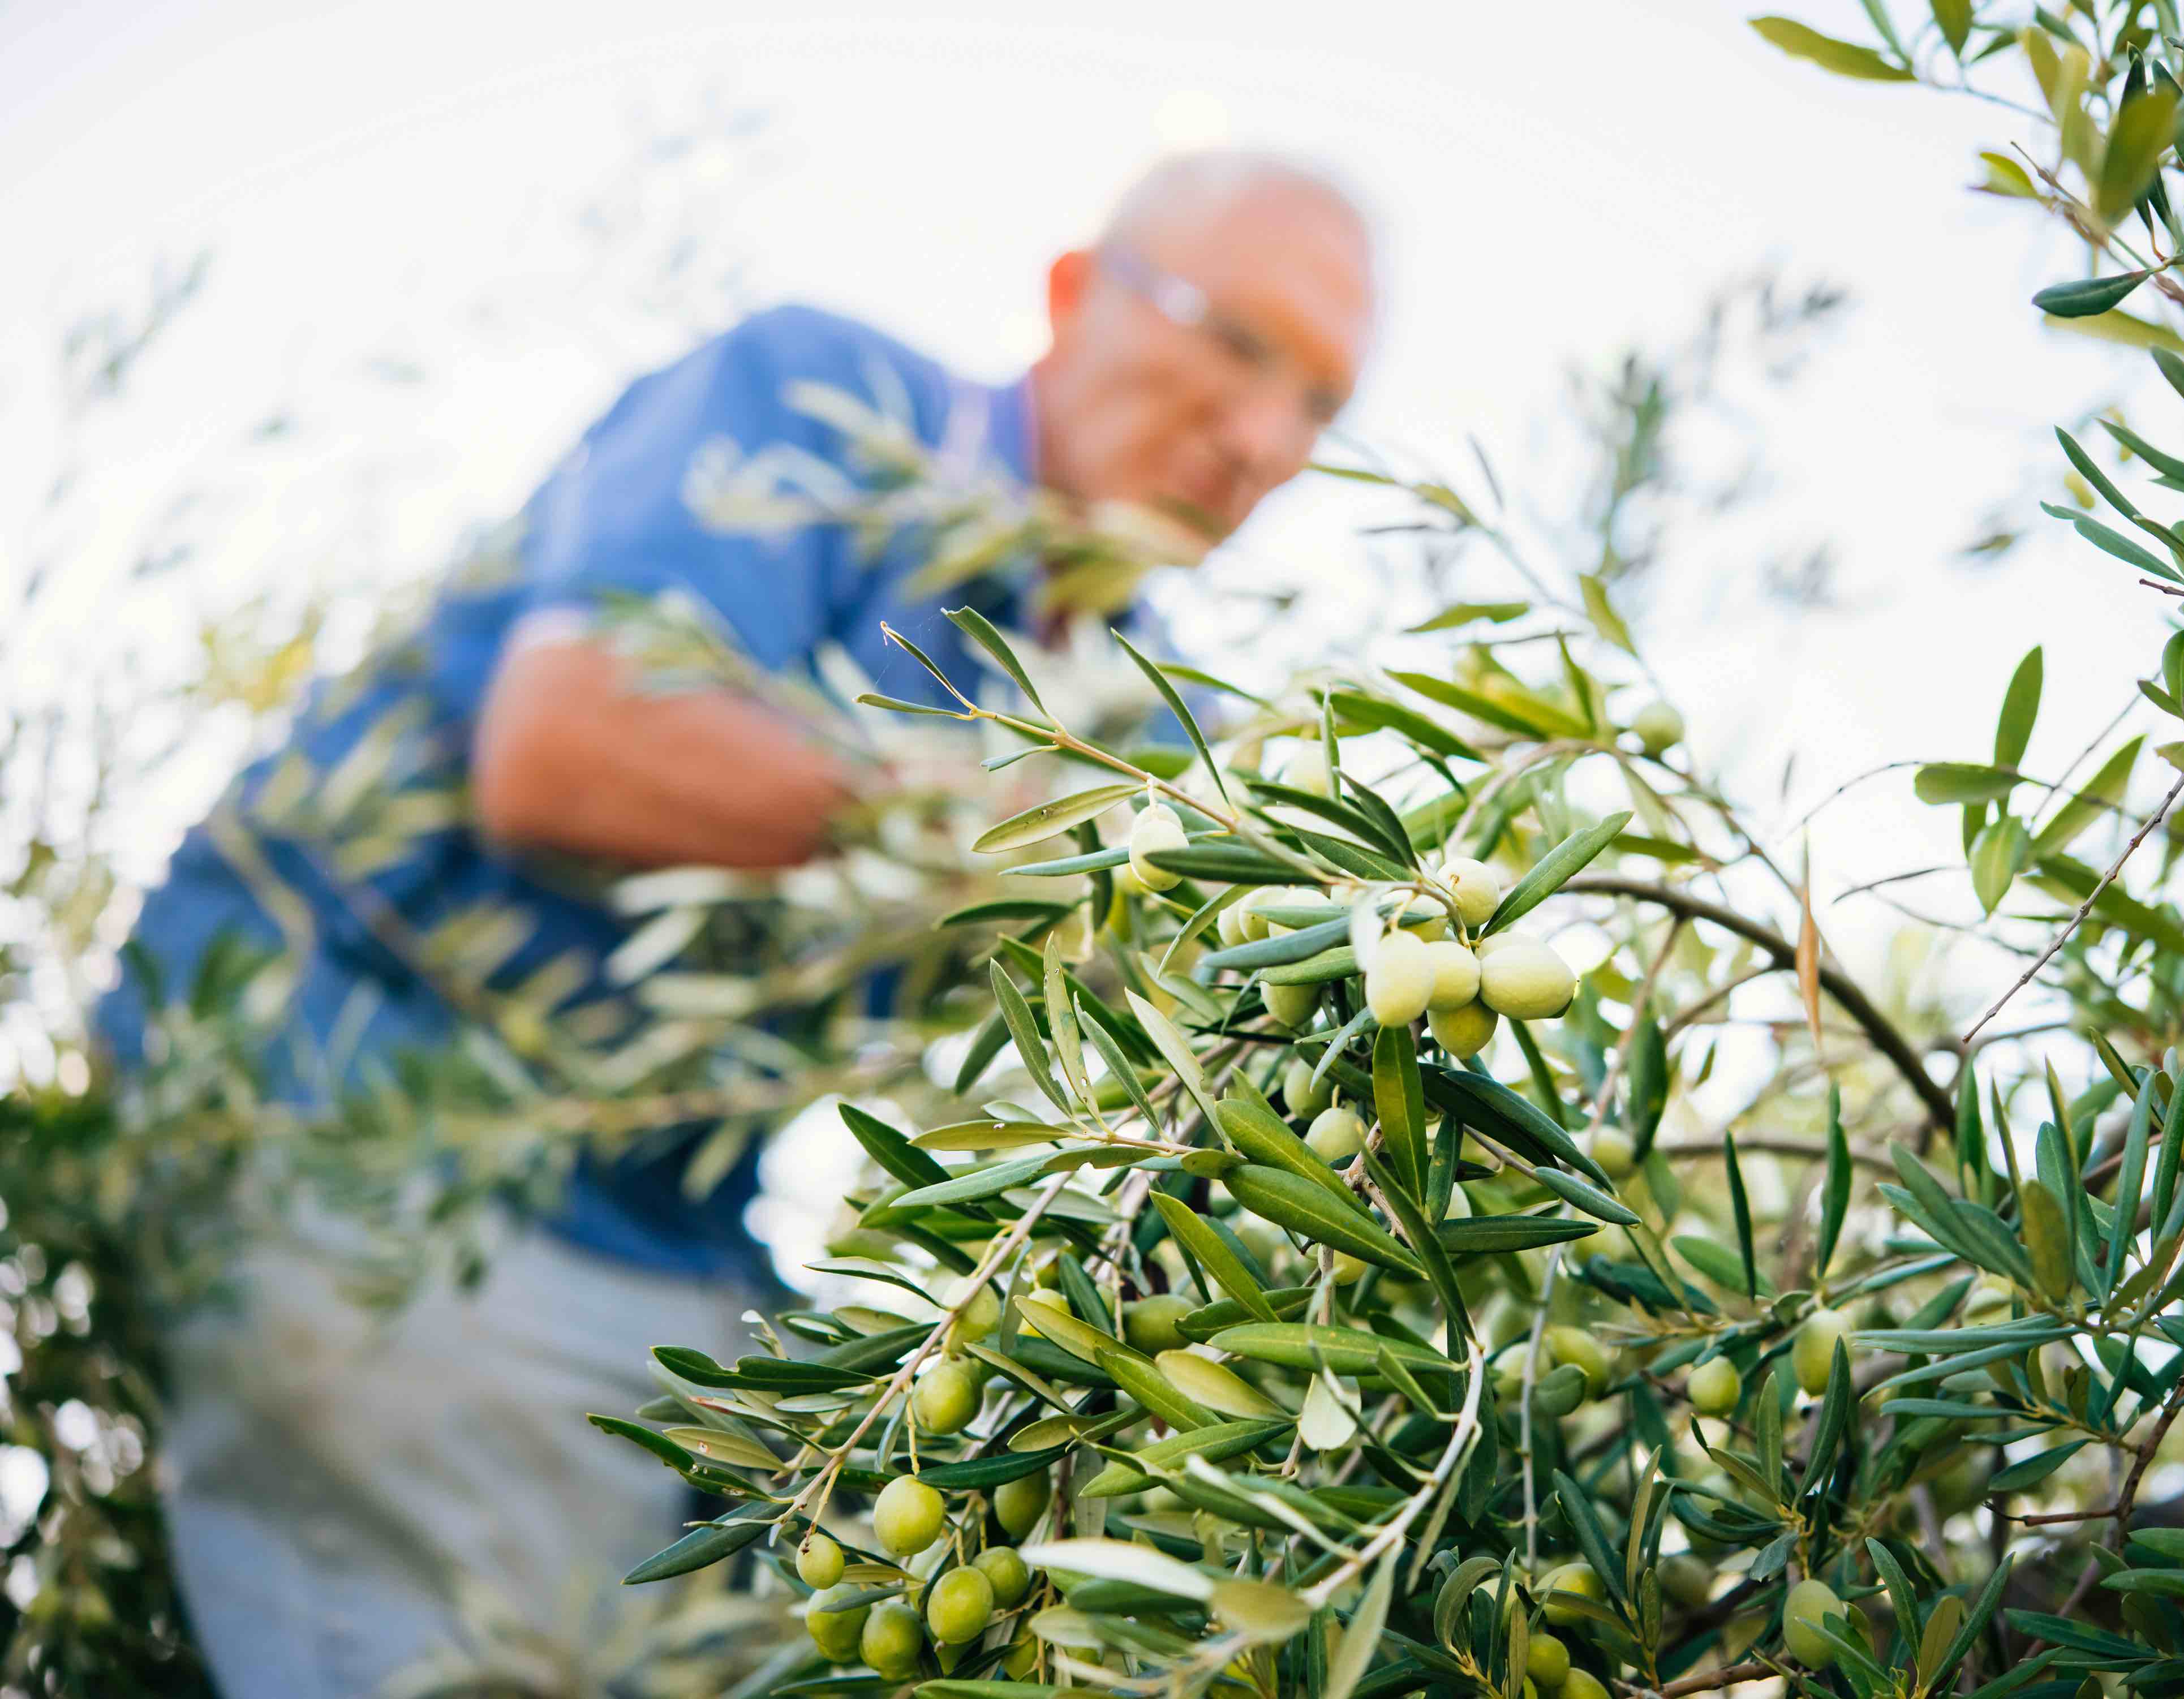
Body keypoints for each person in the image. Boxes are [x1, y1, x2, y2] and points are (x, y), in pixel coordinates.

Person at [88, 148, 1375, 1699]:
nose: (1262, 440)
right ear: (1070, 293)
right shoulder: (822, 406)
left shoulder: (1139, 704)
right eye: (1236, 342)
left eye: (1317, 405)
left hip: (655, 1234)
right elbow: (570, 744)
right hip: (354, 1113)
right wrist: (989, 834)